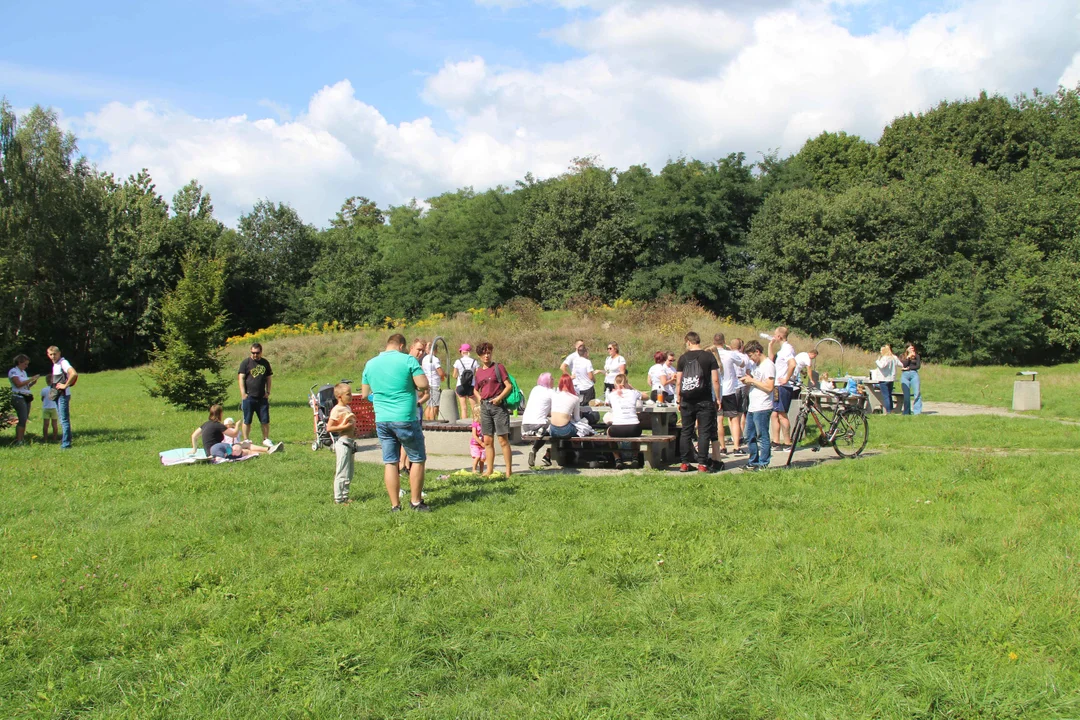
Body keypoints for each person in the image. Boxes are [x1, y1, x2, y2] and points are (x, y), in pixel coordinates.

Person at [361, 333, 431, 512]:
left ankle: (395, 506)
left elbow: (364, 394)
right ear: (401, 346)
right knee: (417, 459)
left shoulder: (370, 363)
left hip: (382, 419)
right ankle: (415, 502)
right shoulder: (408, 360)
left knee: (390, 462)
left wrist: (381, 397)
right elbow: (423, 385)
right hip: (405, 417)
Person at [675, 331, 721, 473]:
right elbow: (715, 380)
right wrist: (718, 398)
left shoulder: (682, 358)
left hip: (687, 400)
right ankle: (702, 464)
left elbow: (678, 381)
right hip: (704, 400)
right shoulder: (709, 357)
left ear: (688, 341)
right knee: (704, 432)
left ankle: (684, 463)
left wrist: (678, 398)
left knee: (686, 431)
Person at [472, 341, 514, 478]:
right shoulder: (478, 372)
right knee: (488, 441)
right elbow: (475, 389)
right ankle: (489, 470)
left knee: (503, 440)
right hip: (485, 408)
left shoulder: (498, 367)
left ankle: (508, 471)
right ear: (479, 355)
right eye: (484, 353)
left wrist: (499, 398)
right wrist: (480, 399)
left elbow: (509, 386)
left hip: (498, 407)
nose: (486, 356)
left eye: (489, 353)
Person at [191, 405, 277, 461]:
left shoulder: (205, 424)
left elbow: (194, 436)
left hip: (210, 451)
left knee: (245, 444)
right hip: (218, 452)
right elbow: (234, 434)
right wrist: (237, 425)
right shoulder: (218, 425)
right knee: (245, 450)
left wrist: (194, 449)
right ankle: (267, 453)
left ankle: (269, 449)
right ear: (220, 414)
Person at [740, 341, 776, 471]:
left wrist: (752, 380)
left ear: (757, 352)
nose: (750, 359)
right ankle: (753, 461)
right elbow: (756, 382)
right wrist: (748, 380)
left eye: (751, 355)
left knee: (762, 436)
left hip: (763, 406)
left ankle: (763, 463)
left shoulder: (768, 365)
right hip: (753, 406)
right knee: (750, 436)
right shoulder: (756, 366)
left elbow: (769, 387)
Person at [325, 383, 360, 504]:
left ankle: (345, 496)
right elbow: (329, 428)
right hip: (343, 443)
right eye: (348, 394)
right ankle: (338, 498)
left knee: (349, 472)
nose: (351, 396)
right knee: (342, 471)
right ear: (339, 396)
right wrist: (344, 426)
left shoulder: (347, 407)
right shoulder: (337, 410)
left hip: (350, 442)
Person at [713, 333, 745, 459]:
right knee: (734, 418)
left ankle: (722, 447)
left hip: (717, 391)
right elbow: (742, 363)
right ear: (724, 341)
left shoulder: (711, 354)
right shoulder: (730, 354)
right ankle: (737, 446)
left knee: (719, 420)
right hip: (729, 389)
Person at [238, 342, 274, 447]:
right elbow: (241, 378)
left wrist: (268, 392)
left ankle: (266, 439)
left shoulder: (265, 363)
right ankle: (246, 439)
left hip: (262, 397)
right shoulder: (246, 363)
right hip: (249, 397)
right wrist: (243, 393)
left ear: (261, 352)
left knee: (265, 419)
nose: (255, 355)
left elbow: (269, 378)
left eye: (257, 353)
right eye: (253, 352)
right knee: (247, 419)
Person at [768, 327, 796, 449]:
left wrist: (786, 378)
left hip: (782, 386)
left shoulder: (787, 349)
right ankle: (776, 441)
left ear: (779, 336)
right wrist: (770, 346)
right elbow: (771, 360)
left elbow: (793, 364)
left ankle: (787, 442)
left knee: (781, 414)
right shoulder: (781, 350)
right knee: (774, 414)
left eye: (775, 335)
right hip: (777, 386)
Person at [607, 373, 642, 469]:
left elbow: (609, 405)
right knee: (635, 431)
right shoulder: (633, 393)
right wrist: (631, 387)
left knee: (608, 432)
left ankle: (617, 458)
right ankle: (635, 457)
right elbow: (645, 396)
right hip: (634, 428)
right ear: (626, 383)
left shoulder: (611, 395)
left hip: (617, 428)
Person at [46, 346, 77, 449]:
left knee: (64, 420)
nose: (53, 356)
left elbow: (73, 373)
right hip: (57, 395)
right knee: (62, 419)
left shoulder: (63, 363)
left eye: (55, 354)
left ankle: (66, 444)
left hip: (63, 395)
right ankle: (66, 441)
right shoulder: (56, 364)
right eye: (50, 354)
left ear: (59, 353)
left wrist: (65, 385)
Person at [521, 372, 555, 467]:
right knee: (557, 428)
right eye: (552, 379)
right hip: (538, 423)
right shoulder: (551, 392)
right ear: (548, 381)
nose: (554, 380)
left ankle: (535, 447)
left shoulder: (535, 389)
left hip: (526, 423)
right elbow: (557, 411)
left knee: (542, 432)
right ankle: (549, 453)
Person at [7, 354, 39, 446]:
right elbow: (18, 384)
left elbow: (26, 386)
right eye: (25, 364)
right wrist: (30, 379)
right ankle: (19, 440)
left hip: (26, 396)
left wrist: (32, 382)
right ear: (19, 362)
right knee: (22, 418)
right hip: (18, 397)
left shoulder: (23, 373)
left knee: (24, 419)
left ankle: (21, 438)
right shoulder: (13, 371)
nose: (26, 366)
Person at [731, 338, 751, 454]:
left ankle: (735, 437)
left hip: (731, 385)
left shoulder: (728, 356)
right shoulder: (745, 357)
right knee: (741, 412)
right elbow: (748, 372)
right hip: (742, 383)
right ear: (741, 347)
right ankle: (741, 434)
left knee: (732, 415)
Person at [548, 374, 582, 439]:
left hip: (552, 430)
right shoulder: (575, 398)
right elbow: (577, 418)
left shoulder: (554, 396)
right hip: (565, 430)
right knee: (581, 429)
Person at [452, 344, 479, 421]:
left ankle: (464, 424)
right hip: (471, 386)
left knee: (463, 408)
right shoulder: (474, 361)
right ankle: (475, 424)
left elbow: (454, 375)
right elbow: (478, 374)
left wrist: (459, 377)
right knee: (474, 407)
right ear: (469, 351)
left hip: (461, 385)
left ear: (462, 352)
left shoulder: (458, 361)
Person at [421, 341, 447, 421]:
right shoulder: (435, 359)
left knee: (428, 405)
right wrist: (443, 376)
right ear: (435, 350)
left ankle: (427, 421)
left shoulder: (424, 359)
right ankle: (432, 421)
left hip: (427, 384)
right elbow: (440, 372)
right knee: (434, 405)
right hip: (434, 384)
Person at [876, 344, 901, 413]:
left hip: (884, 379)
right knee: (889, 395)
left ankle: (888, 411)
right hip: (891, 378)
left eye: (881, 350)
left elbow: (882, 366)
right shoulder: (893, 357)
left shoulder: (885, 358)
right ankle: (891, 409)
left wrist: (877, 361)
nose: (880, 352)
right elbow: (900, 364)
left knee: (886, 396)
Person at [900, 343, 923, 415]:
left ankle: (917, 412)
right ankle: (906, 412)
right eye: (910, 348)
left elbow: (918, 366)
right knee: (906, 394)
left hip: (914, 374)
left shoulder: (917, 356)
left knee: (917, 392)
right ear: (907, 349)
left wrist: (909, 368)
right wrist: (908, 358)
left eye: (912, 349)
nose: (912, 350)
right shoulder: (903, 356)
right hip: (905, 375)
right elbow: (903, 365)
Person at [469, 406, 486, 473]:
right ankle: (474, 469)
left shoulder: (484, 424)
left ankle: (481, 471)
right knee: (477, 457)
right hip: (475, 444)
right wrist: (481, 443)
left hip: (483, 445)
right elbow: (474, 435)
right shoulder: (475, 424)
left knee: (482, 459)